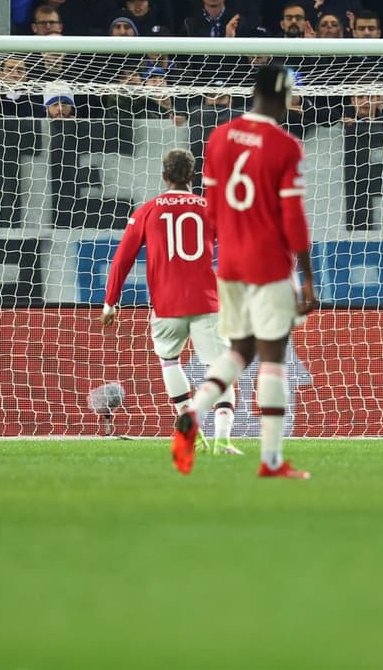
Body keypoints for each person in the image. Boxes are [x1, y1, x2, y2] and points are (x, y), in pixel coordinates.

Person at [170, 65, 317, 479]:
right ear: (282, 95)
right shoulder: (285, 146)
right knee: (273, 358)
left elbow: (212, 210)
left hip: (229, 265)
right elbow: (294, 220)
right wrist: (306, 275)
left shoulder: (219, 138)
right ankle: (271, 460)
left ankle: (192, 415)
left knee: (239, 351)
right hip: (268, 264)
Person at [101, 149, 242, 455]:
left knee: (170, 362)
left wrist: (110, 301)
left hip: (166, 305)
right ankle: (223, 440)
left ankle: (192, 433)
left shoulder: (148, 210)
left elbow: (122, 258)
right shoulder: (210, 208)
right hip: (207, 303)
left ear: (164, 176)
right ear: (193, 176)